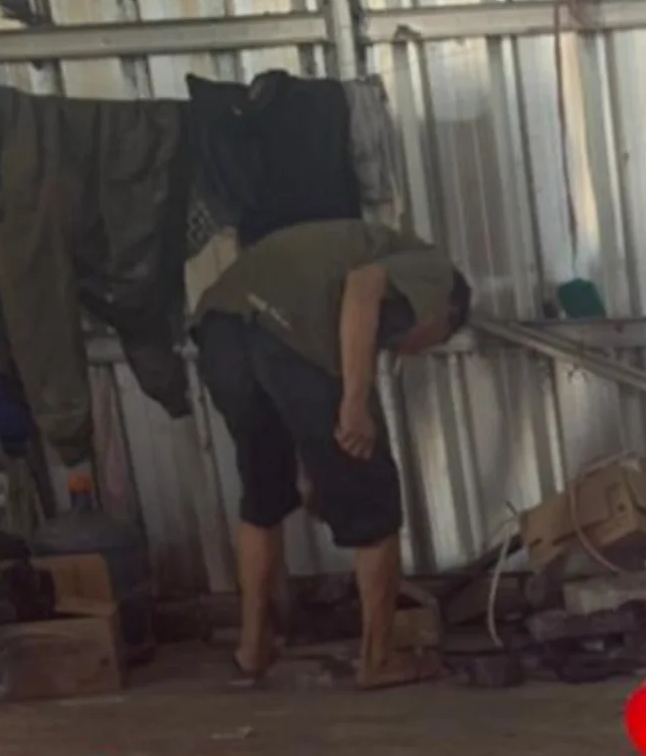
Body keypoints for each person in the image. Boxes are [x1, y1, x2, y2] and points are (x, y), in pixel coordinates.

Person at [190, 219, 471, 687]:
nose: (412, 349)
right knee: (375, 503)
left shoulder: (349, 251)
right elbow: (362, 288)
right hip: (287, 329)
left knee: (264, 495)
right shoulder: (437, 272)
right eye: (434, 341)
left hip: (220, 329)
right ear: (445, 314)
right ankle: (379, 660)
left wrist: (314, 465)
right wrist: (354, 403)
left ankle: (253, 648)